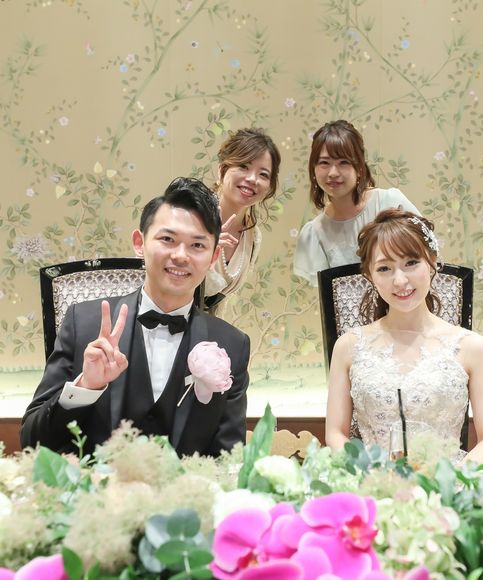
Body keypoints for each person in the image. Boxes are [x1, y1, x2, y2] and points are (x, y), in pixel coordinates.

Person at [20, 178, 250, 457]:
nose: (180, 256)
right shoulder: (84, 323)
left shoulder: (232, 345)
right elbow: (32, 442)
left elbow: (229, 458)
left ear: (214, 256)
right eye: (168, 239)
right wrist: (85, 386)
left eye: (197, 245)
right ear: (139, 243)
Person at [325, 209, 483, 464]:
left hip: (449, 482)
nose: (400, 280)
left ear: (432, 262)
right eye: (384, 268)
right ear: (370, 276)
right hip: (374, 481)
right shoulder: (349, 346)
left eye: (411, 263)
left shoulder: (472, 347)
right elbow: (335, 434)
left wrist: (452, 479)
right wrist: (369, 472)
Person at [293, 120, 420, 287]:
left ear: (359, 167)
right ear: (313, 169)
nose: (333, 173)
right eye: (324, 163)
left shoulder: (390, 203)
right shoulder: (315, 233)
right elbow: (328, 294)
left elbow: (425, 258)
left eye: (343, 162)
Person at [204, 127, 282, 314]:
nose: (253, 179)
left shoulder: (253, 235)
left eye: (263, 174)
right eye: (243, 166)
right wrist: (200, 248)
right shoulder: (194, 215)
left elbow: (218, 304)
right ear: (222, 170)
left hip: (207, 327)